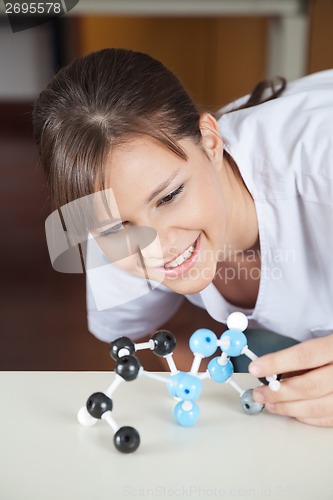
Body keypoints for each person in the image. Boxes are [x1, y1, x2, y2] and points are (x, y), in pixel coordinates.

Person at [33, 48, 333, 427]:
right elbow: (151, 336)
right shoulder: (108, 220)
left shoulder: (320, 168)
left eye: (170, 196)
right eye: (118, 228)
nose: (157, 247)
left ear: (209, 141)